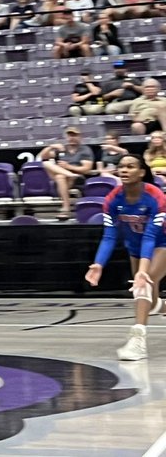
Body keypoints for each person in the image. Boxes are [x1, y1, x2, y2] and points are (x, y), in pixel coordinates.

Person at [84, 154, 166, 361]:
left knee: (143, 285)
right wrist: (99, 264)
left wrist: (142, 270)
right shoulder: (113, 199)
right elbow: (110, 236)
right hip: (135, 249)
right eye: (121, 166)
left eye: (130, 166)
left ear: (141, 172)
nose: (124, 170)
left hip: (161, 244)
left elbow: (150, 236)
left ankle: (138, 340)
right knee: (152, 302)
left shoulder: (156, 197)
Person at [35, 128, 95, 220]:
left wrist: (69, 167)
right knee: (46, 163)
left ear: (79, 137)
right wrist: (51, 147)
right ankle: (66, 208)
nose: (72, 138)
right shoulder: (62, 148)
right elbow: (41, 157)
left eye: (74, 135)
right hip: (65, 176)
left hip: (77, 177)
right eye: (70, 135)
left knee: (60, 176)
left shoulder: (85, 150)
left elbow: (86, 169)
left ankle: (66, 208)